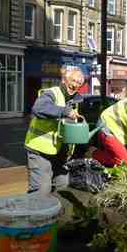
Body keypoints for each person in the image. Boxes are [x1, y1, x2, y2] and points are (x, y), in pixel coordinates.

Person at [24, 65, 85, 194]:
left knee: (63, 187)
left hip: (61, 154)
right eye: (73, 80)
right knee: (41, 190)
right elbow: (39, 109)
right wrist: (65, 111)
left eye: (79, 83)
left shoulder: (76, 101)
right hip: (40, 151)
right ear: (64, 80)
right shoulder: (51, 93)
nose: (75, 85)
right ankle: (34, 212)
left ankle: (55, 213)